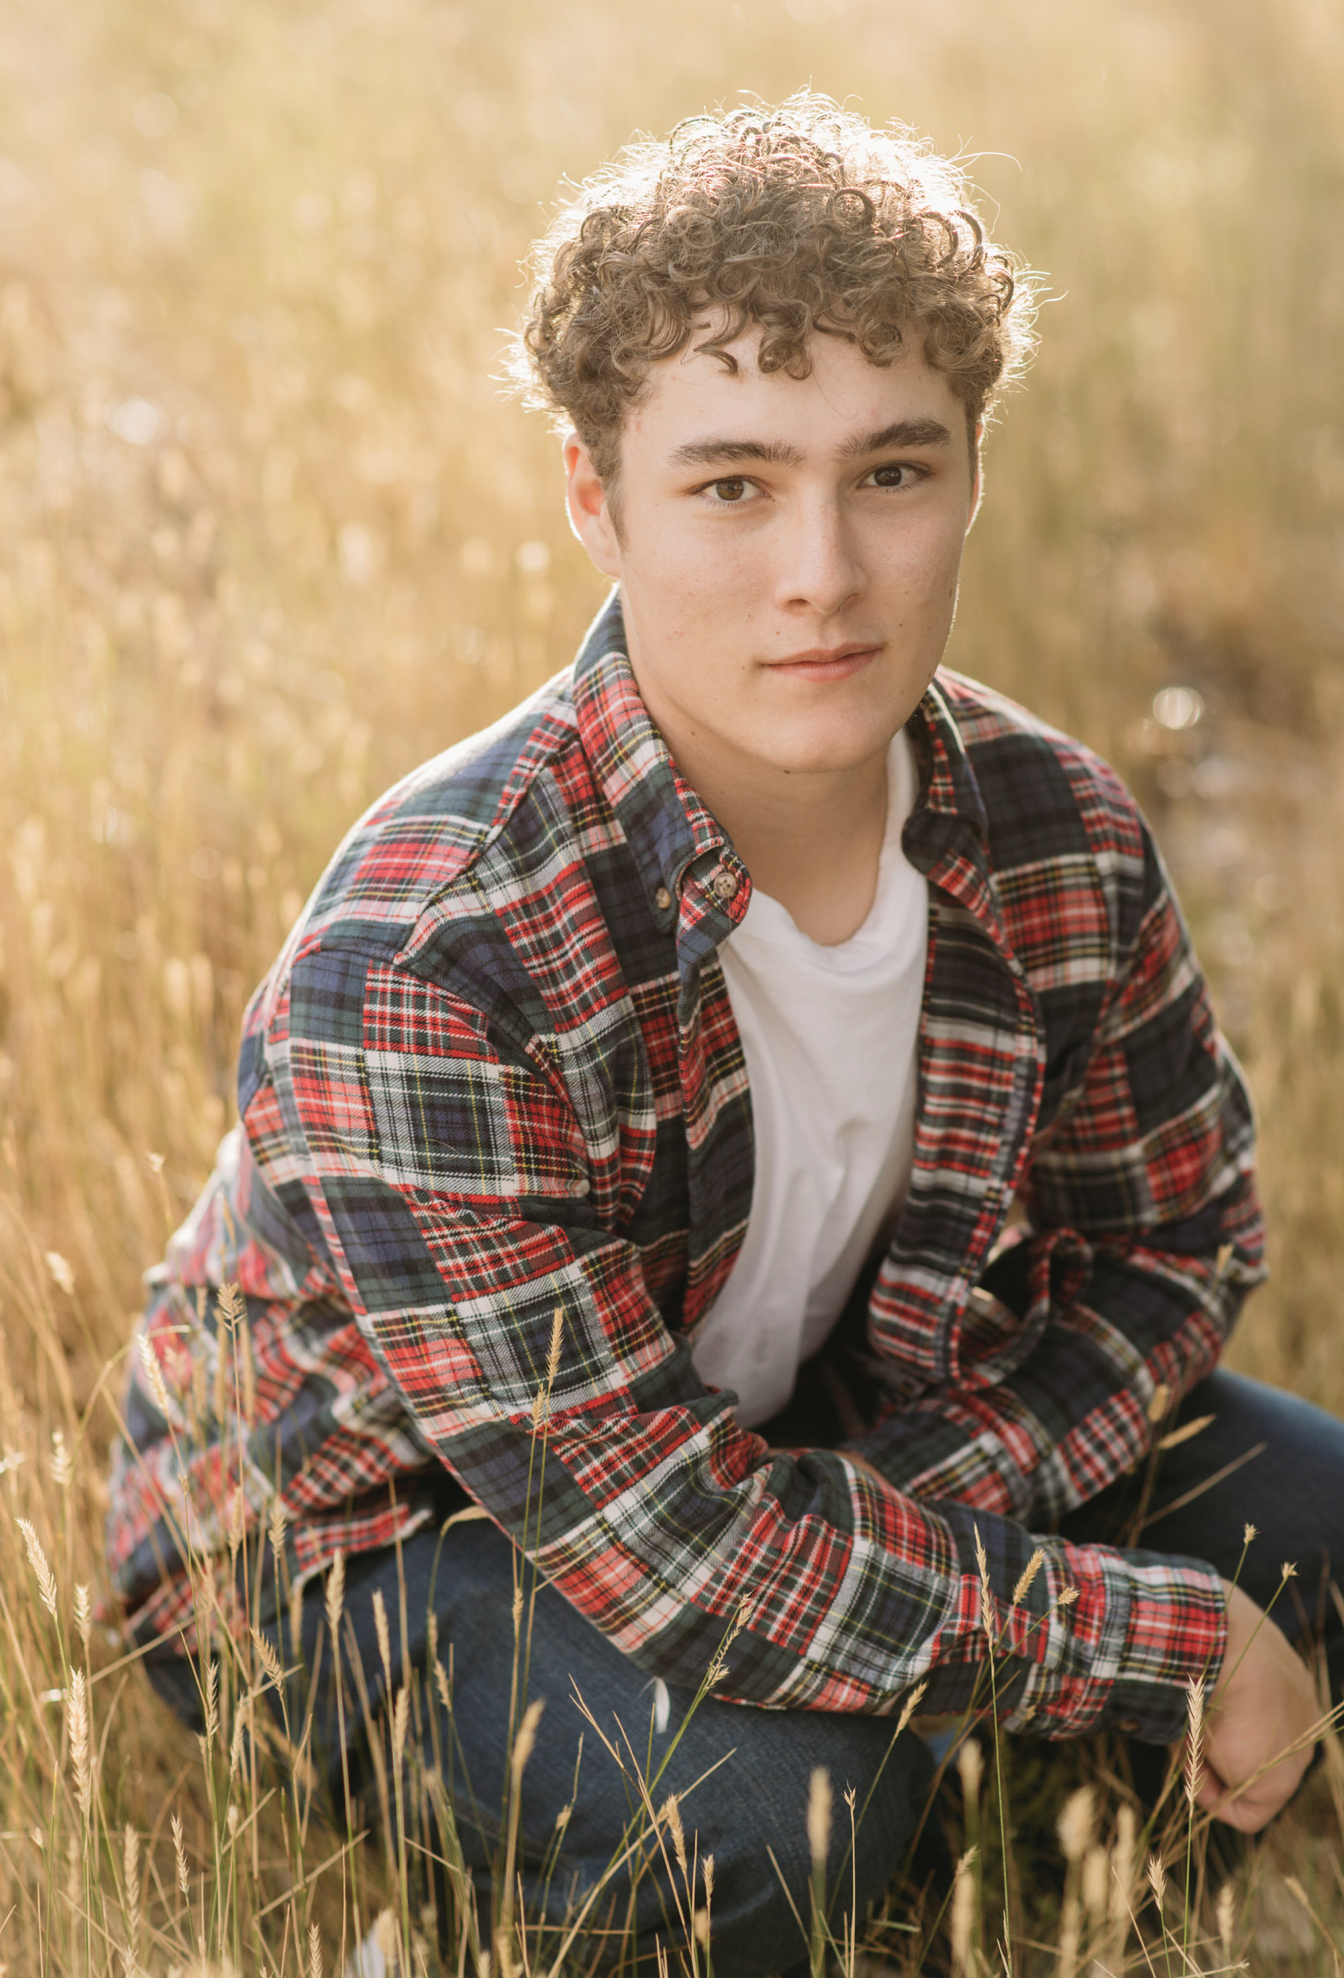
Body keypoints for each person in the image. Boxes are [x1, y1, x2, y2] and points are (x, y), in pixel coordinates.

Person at [108, 94, 1339, 1974]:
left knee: (1317, 1514)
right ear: (597, 501)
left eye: (894, 473)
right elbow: (665, 1545)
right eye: (735, 484)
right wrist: (1131, 1634)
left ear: (971, 481)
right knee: (783, 1805)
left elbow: (1176, 1237)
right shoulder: (437, 955)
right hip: (366, 1543)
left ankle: (1064, 1878)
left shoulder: (1058, 832)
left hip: (800, 1447)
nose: (824, 573)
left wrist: (897, 1524)